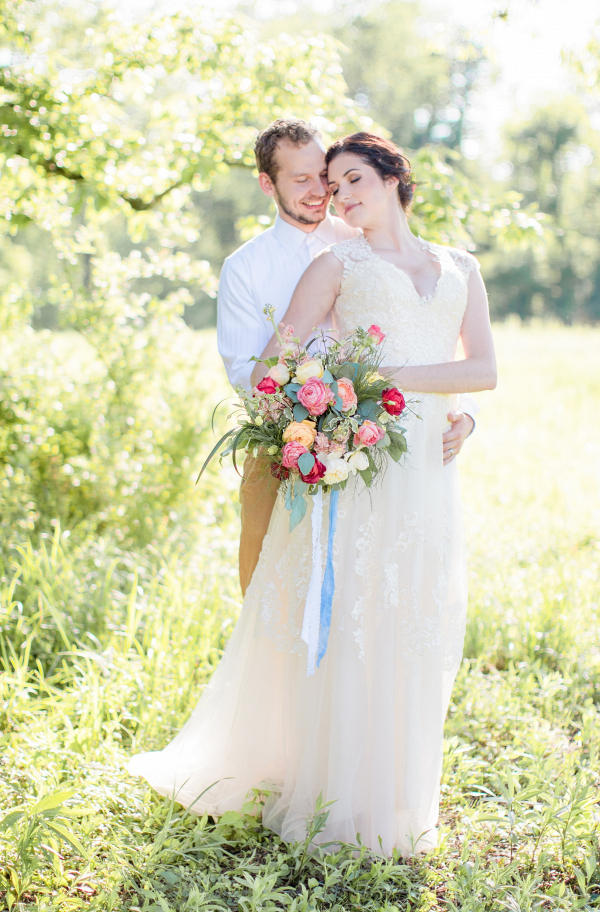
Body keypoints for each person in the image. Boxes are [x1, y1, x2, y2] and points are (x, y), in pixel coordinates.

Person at [128, 131, 496, 856]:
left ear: (394, 176)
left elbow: (480, 368)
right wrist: (336, 412)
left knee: (416, 616)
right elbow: (270, 368)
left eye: (353, 178)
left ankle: (396, 797)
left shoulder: (461, 267)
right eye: (331, 182)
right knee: (350, 615)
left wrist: (439, 403)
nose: (340, 194)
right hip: (354, 460)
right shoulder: (333, 263)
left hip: (426, 466)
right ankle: (326, 784)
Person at [216, 118, 479, 596]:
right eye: (302, 180)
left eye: (326, 177)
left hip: (381, 437)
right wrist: (315, 419)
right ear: (266, 184)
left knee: (367, 585)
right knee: (270, 583)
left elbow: (435, 334)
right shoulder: (245, 268)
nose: (321, 191)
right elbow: (245, 371)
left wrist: (468, 413)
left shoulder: (363, 231)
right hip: (285, 439)